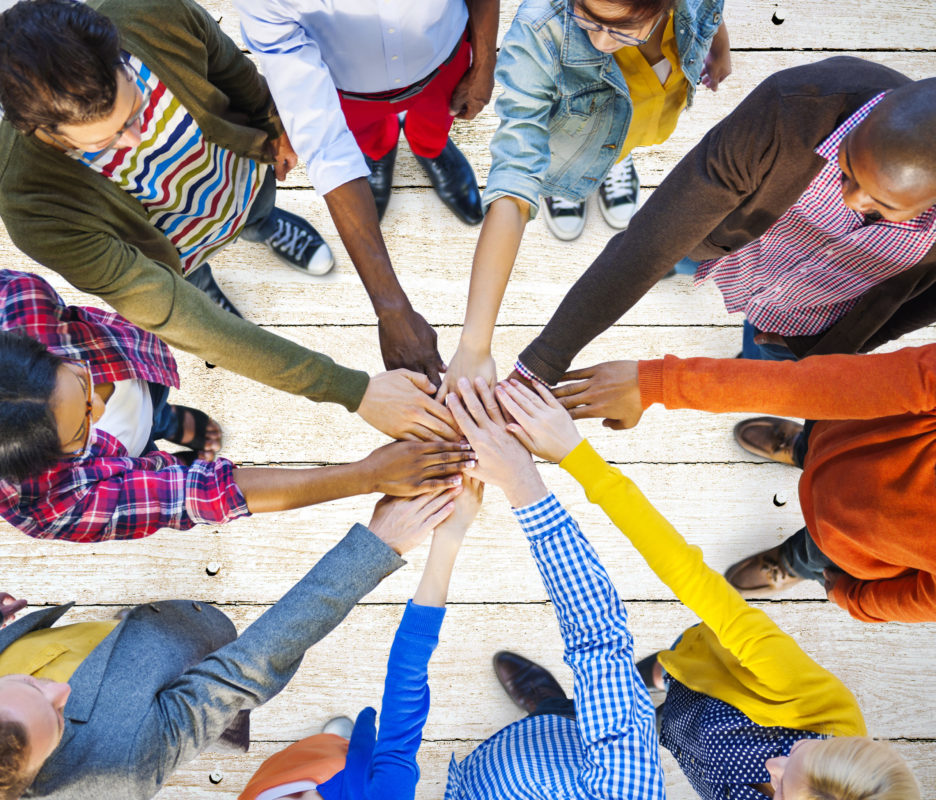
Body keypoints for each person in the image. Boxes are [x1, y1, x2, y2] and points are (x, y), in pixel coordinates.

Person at [0, 0, 460, 443]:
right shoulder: (33, 207)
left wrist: (270, 120)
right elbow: (177, 313)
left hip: (242, 179)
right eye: (106, 142)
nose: (137, 137)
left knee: (259, 213)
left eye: (136, 109)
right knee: (196, 292)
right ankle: (209, 285)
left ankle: (265, 226)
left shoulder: (147, 11)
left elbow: (230, 69)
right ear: (42, 131)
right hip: (178, 252)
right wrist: (351, 390)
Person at [490, 376, 921, 800]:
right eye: (801, 749)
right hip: (700, 670)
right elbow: (686, 571)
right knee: (654, 677)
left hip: (683, 737)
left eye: (782, 788)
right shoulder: (816, 700)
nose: (773, 766)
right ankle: (647, 678)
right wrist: (576, 456)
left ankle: (558, 712)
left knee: (611, 728)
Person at [0, 489, 459, 800]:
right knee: (216, 703)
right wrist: (378, 547)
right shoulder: (116, 769)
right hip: (178, 671)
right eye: (57, 718)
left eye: (26, 686)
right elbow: (244, 669)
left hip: (111, 645)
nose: (62, 690)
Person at [510, 58, 936, 387]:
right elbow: (651, 242)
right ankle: (683, 267)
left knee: (765, 364)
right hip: (727, 244)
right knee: (674, 253)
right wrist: (544, 362)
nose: (851, 197)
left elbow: (922, 306)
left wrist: (840, 347)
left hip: (813, 318)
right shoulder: (793, 108)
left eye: (880, 203)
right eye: (845, 166)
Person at [0, 270, 474, 543]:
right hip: (124, 453)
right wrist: (365, 475)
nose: (96, 410)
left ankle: (167, 420)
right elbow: (193, 494)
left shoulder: (17, 300)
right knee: (143, 447)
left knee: (158, 411)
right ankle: (157, 433)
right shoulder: (48, 504)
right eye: (81, 434)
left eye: (81, 380)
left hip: (136, 365)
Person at [439, 0, 729, 393]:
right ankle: (566, 183)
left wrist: (719, 45)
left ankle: (611, 161)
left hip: (647, 111)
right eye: (587, 17)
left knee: (629, 138)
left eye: (623, 29)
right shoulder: (541, 31)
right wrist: (474, 345)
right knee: (554, 169)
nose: (600, 40)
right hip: (563, 143)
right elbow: (514, 175)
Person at [550, 346, 936, 623]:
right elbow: (814, 386)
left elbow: (923, 600)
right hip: (842, 428)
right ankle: (800, 447)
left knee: (812, 555)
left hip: (846, 544)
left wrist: (852, 598)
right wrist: (657, 383)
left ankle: (790, 564)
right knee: (818, 429)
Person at [235, 0, 500, 385]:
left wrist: (484, 63)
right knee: (367, 142)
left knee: (436, 127)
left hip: (442, 65)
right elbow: (326, 142)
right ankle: (381, 153)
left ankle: (430, 150)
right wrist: (391, 308)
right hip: (347, 93)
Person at [438, 377, 665, 799]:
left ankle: (560, 707)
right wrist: (522, 481)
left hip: (490, 777)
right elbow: (596, 635)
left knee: (604, 699)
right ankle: (588, 699)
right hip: (574, 745)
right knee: (604, 680)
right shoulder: (622, 790)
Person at [238, 477, 483, 800]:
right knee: (334, 754)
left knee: (296, 764)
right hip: (343, 777)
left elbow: (406, 681)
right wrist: (449, 536)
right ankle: (335, 747)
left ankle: (328, 747)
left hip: (282, 780)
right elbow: (405, 682)